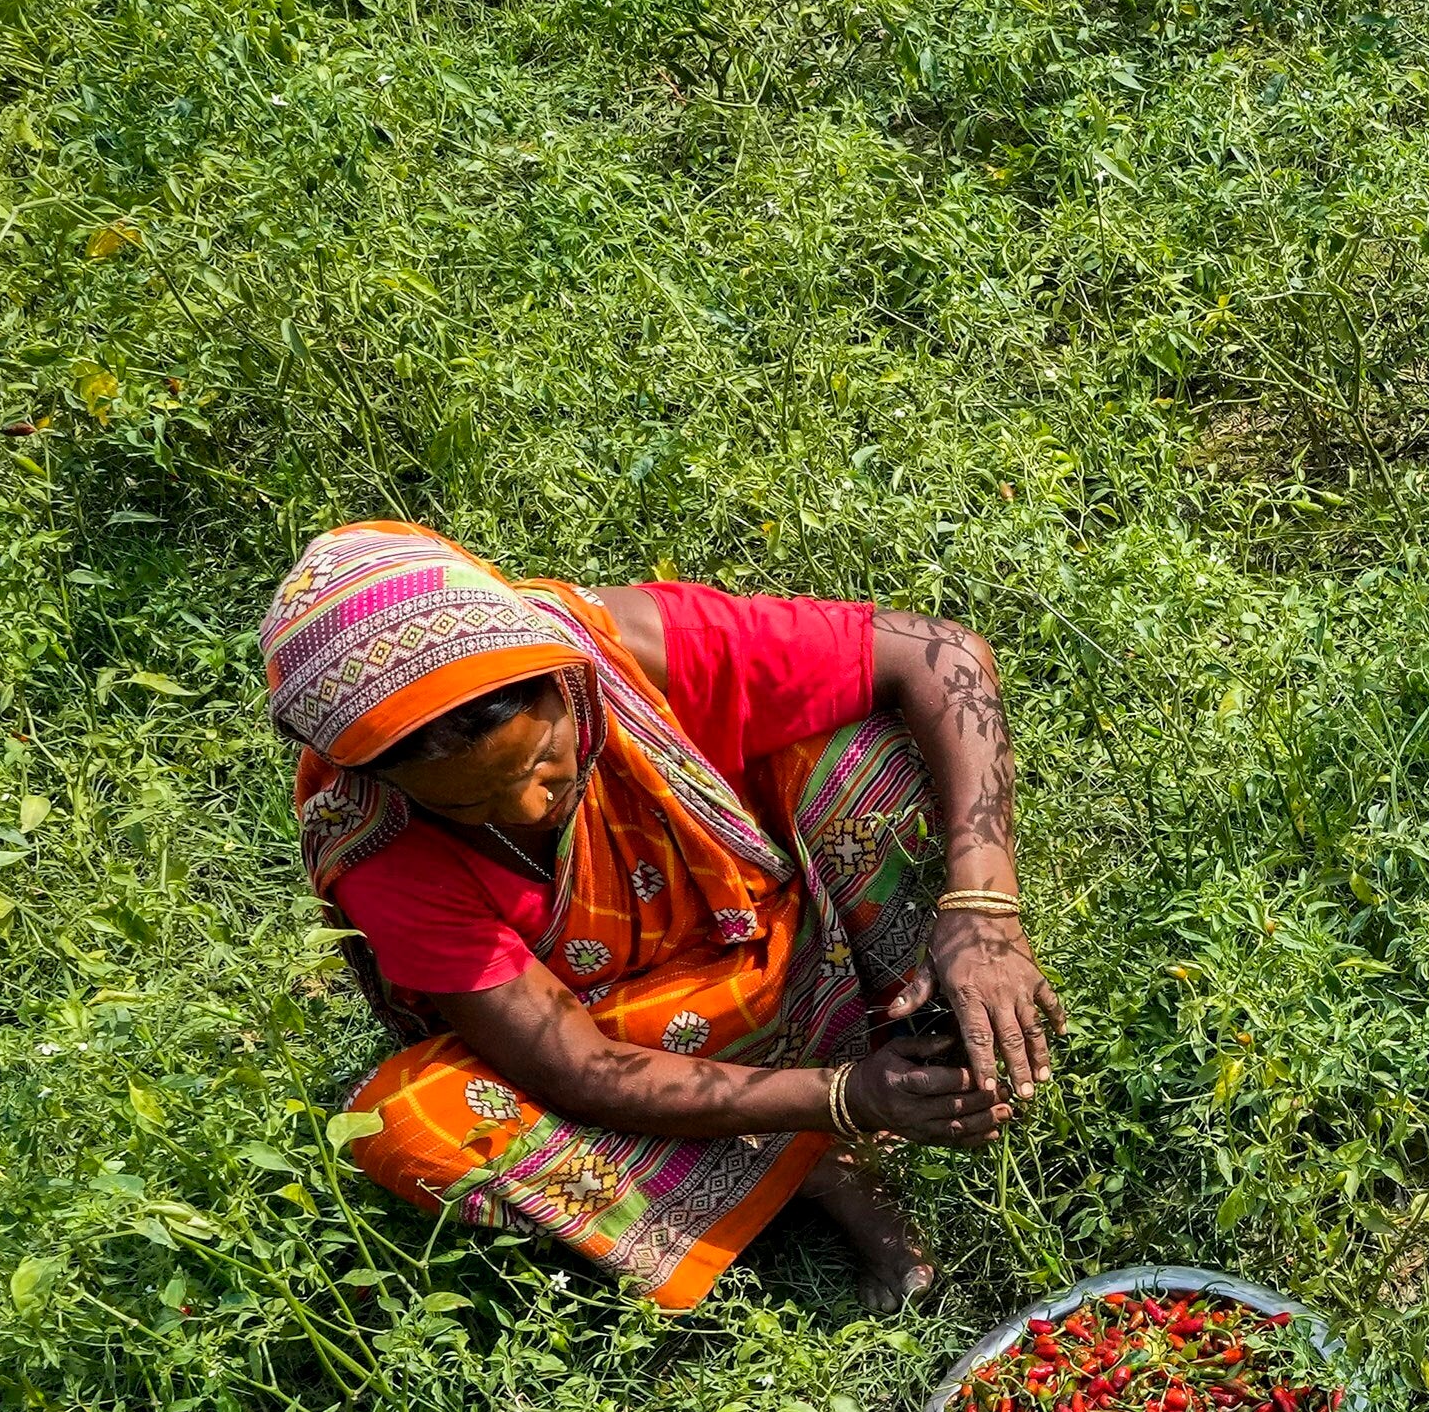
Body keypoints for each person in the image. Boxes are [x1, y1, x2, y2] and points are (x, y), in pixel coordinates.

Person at [254, 524, 1062, 1309]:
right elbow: (574, 1070)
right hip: (613, 1040)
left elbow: (938, 653)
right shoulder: (381, 848)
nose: (532, 804)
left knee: (862, 762)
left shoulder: (626, 648)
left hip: (785, 940)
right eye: (468, 803)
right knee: (412, 1123)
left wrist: (984, 904)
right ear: (389, 782)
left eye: (544, 759)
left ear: (564, 681)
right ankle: (817, 1164)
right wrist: (845, 1099)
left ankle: (928, 1029)